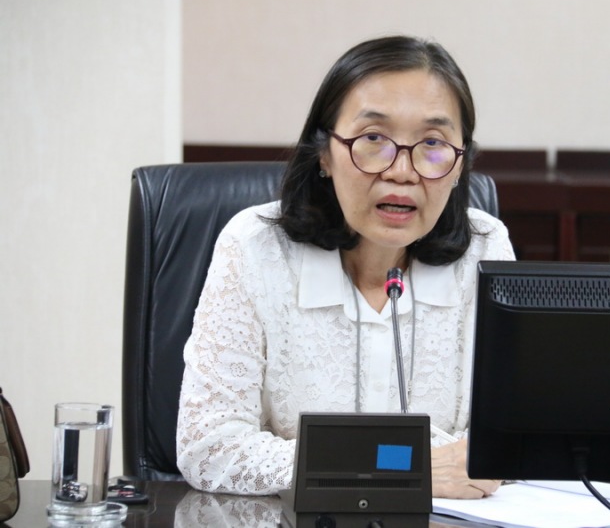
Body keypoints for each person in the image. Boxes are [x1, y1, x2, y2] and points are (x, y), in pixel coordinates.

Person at [176, 35, 515, 499]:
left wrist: (339, 461)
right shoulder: (256, 248)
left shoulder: (484, 250)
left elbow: (507, 443)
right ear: (324, 152)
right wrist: (405, 466)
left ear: (460, 165)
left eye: (432, 144)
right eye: (373, 139)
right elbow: (209, 447)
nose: (402, 171)